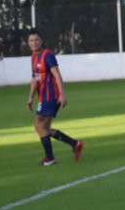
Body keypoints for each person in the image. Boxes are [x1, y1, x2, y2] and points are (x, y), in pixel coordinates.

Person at [26, 29, 84, 167]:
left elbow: (57, 75)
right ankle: (75, 144)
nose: (34, 43)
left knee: (39, 127)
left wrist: (62, 94)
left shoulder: (48, 55)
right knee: (43, 128)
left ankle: (50, 158)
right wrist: (30, 98)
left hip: (51, 96)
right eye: (31, 40)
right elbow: (35, 79)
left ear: (42, 41)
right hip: (43, 97)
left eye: (37, 40)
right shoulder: (33, 57)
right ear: (28, 43)